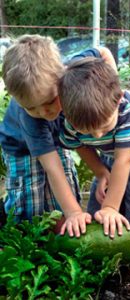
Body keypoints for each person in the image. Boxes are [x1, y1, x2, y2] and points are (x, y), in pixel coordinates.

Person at [0, 34, 117, 237]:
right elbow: (52, 168)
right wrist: (74, 213)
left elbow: (103, 53)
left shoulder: (73, 70)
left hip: (58, 138)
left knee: (67, 186)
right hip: (20, 148)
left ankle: (64, 236)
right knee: (31, 200)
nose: (43, 112)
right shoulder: (31, 120)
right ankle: (27, 242)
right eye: (31, 107)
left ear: (62, 76)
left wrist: (112, 92)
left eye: (50, 101)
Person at [57, 57, 130, 240]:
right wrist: (101, 172)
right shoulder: (71, 120)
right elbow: (80, 145)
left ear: (118, 100)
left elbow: (123, 161)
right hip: (112, 156)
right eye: (87, 131)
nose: (97, 136)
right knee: (97, 211)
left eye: (104, 127)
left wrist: (111, 208)